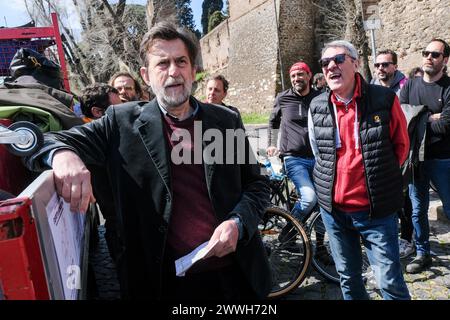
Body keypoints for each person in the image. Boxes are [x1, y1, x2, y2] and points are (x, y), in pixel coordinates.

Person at [25, 21, 271, 300]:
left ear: (193, 71)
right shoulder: (121, 123)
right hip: (162, 283)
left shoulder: (224, 121)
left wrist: (239, 222)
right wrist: (63, 156)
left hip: (235, 277)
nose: (173, 72)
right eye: (162, 63)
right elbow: (42, 140)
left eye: (181, 61)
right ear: (146, 74)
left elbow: (257, 185)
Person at [308, 40, 410, 300]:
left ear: (355, 63)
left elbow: (401, 146)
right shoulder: (317, 106)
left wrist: (378, 176)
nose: (331, 66)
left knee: (389, 282)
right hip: (334, 212)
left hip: (375, 210)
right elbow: (318, 152)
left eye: (339, 59)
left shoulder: (384, 99)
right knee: (349, 280)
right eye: (325, 63)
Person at [400, 38, 450, 274]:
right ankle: (422, 253)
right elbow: (401, 118)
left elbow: (447, 125)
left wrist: (418, 118)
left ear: (445, 60)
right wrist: (431, 117)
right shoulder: (411, 86)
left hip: (444, 159)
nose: (429, 57)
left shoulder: (449, 87)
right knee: (418, 209)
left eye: (435, 54)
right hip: (416, 159)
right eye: (425, 52)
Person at [370, 50, 415, 259]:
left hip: (402, 149)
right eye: (378, 65)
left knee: (404, 197)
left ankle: (407, 238)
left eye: (386, 65)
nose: (381, 69)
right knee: (386, 198)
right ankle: (389, 237)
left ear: (394, 67)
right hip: (379, 152)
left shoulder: (405, 87)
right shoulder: (371, 87)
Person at [267, 62, 320, 223]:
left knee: (324, 201)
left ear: (309, 76)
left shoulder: (319, 98)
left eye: (300, 74)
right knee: (309, 197)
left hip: (318, 157)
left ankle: (320, 244)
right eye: (293, 76)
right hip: (293, 158)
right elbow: (273, 122)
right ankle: (288, 233)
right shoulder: (283, 98)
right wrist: (272, 143)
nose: (296, 79)